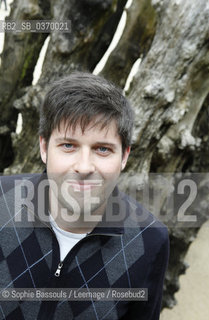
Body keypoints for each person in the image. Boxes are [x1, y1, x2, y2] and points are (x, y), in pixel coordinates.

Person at [0, 72, 169, 319]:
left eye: (102, 149)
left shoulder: (150, 239)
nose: (84, 166)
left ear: (124, 156)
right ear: (44, 148)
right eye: (68, 145)